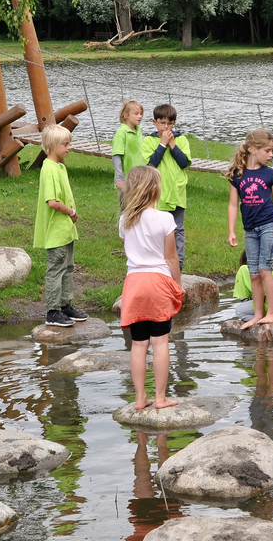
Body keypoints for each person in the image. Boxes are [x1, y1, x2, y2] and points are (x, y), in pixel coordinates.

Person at [119, 166, 184, 410]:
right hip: (158, 282)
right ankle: (160, 397)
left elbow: (129, 247)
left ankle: (139, 398)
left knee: (138, 344)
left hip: (134, 283)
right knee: (160, 342)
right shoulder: (165, 218)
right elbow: (171, 258)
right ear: (155, 189)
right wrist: (177, 285)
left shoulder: (124, 220)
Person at [226, 128, 273, 329]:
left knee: (264, 270)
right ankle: (258, 314)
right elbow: (233, 205)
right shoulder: (238, 174)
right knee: (253, 273)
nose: (271, 155)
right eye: (267, 151)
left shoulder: (271, 174)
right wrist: (231, 230)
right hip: (250, 228)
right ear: (253, 149)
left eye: (272, 151)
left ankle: (272, 314)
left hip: (269, 224)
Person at [33, 124, 88, 327]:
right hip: (56, 231)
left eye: (69, 143)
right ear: (52, 145)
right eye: (65, 144)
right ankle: (53, 311)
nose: (69, 147)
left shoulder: (59, 166)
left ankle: (66, 305)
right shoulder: (49, 169)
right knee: (56, 269)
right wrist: (72, 212)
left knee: (68, 267)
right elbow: (53, 202)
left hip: (65, 230)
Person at [142, 104, 191, 271]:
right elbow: (151, 165)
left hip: (176, 194)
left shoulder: (181, 140)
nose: (166, 128)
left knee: (177, 230)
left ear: (174, 123)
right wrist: (162, 145)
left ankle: (178, 267)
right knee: (157, 231)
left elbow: (184, 163)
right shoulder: (149, 141)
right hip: (157, 195)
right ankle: (158, 266)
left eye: (170, 124)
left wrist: (172, 145)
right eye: (162, 123)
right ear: (154, 122)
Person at [112, 100, 145, 195]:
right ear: (126, 115)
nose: (140, 116)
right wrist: (120, 178)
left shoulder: (139, 131)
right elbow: (116, 156)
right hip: (127, 180)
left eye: (141, 114)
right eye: (136, 114)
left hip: (140, 178)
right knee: (127, 208)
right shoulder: (121, 133)